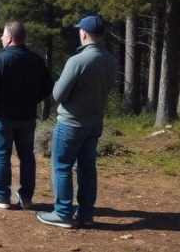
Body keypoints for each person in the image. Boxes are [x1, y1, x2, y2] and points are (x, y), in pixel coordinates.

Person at [36, 15, 118, 229]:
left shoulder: (77, 61)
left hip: (71, 123)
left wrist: (57, 83)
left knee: (61, 166)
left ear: (84, 33)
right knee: (87, 168)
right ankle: (86, 214)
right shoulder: (110, 60)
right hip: (94, 123)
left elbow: (58, 95)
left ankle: (63, 213)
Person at [0, 19, 53, 210]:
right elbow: (47, 87)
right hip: (27, 116)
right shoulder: (36, 60)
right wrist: (31, 101)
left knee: (2, 155)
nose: (1, 38)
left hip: (2, 117)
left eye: (3, 35)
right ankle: (26, 198)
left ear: (10, 38)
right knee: (27, 155)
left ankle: (2, 196)